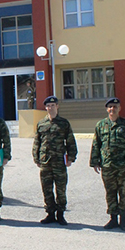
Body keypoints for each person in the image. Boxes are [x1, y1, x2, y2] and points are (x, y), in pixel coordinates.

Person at [90, 97, 125, 231]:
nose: (112, 109)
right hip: (107, 165)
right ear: (107, 109)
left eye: (115, 107)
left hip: (123, 166)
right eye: (110, 107)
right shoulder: (101, 125)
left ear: (119, 109)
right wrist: (95, 161)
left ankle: (123, 220)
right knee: (110, 193)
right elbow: (96, 144)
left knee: (123, 192)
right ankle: (113, 218)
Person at [32, 96, 78, 225]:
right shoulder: (41, 124)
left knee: (60, 189)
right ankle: (50, 213)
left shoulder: (64, 123)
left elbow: (70, 142)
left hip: (59, 162)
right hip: (45, 162)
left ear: (57, 106)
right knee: (47, 189)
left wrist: (71, 158)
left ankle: (61, 214)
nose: (50, 107)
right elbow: (37, 142)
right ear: (45, 107)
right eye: (48, 106)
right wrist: (36, 158)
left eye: (53, 105)